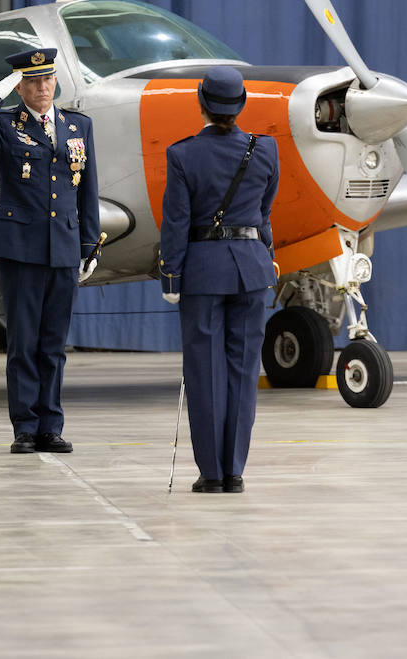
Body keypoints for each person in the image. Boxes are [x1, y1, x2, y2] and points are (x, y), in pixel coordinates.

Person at [0, 46, 100, 454]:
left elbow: (87, 188)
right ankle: (24, 426)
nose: (42, 87)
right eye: (33, 80)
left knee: (54, 344)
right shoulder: (5, 124)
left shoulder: (78, 126)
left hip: (63, 246)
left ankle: (50, 427)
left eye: (48, 79)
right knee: (23, 343)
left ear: (56, 80)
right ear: (20, 86)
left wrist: (89, 243)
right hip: (20, 248)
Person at [159, 66, 279, 493]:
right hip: (252, 268)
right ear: (241, 104)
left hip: (203, 271)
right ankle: (235, 471)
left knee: (205, 372)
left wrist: (171, 275)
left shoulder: (182, 154)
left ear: (201, 103)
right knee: (243, 371)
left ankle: (211, 474)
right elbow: (264, 213)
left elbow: (175, 222)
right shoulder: (265, 150)